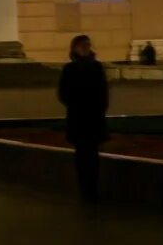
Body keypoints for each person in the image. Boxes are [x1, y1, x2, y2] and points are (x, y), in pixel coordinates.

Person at [58, 34, 109, 201]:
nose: (86, 48)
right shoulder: (69, 69)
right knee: (82, 155)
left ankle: (92, 189)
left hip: (92, 118)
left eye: (88, 45)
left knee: (92, 155)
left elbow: (104, 92)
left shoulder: (96, 67)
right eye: (82, 46)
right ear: (75, 48)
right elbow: (63, 93)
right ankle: (85, 189)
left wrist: (99, 108)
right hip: (80, 118)